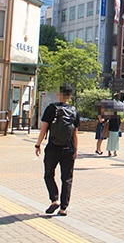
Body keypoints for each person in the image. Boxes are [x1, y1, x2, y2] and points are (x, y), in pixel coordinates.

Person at [35, 84, 79, 217]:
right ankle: (63, 208)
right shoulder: (74, 111)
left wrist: (38, 145)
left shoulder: (51, 108)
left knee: (48, 175)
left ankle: (54, 199)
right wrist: (76, 150)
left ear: (59, 94)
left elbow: (44, 128)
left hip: (53, 147)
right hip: (69, 148)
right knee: (67, 178)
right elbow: (75, 133)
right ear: (70, 96)